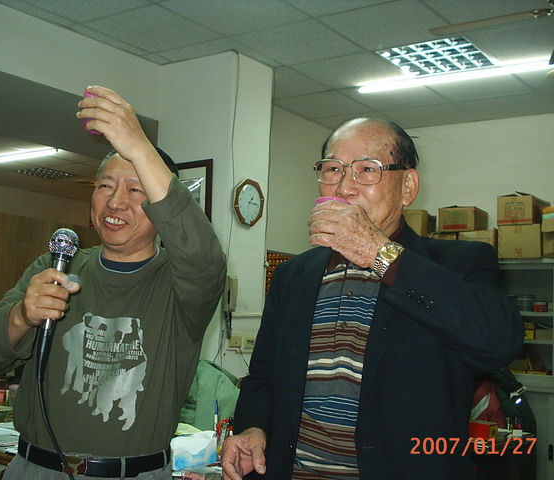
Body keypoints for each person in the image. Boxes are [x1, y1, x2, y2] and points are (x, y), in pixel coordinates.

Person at [220, 117, 523, 480]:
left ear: (407, 187)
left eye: (367, 169)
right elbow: (263, 376)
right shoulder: (293, 275)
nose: (345, 186)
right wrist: (254, 427)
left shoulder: (457, 264)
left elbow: (498, 343)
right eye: (333, 169)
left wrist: (379, 253)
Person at [0, 85, 226, 480]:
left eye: (136, 189)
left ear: (161, 209)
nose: (115, 202)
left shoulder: (181, 285)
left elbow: (204, 257)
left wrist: (139, 147)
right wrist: (21, 316)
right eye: (105, 186)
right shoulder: (56, 267)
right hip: (35, 469)